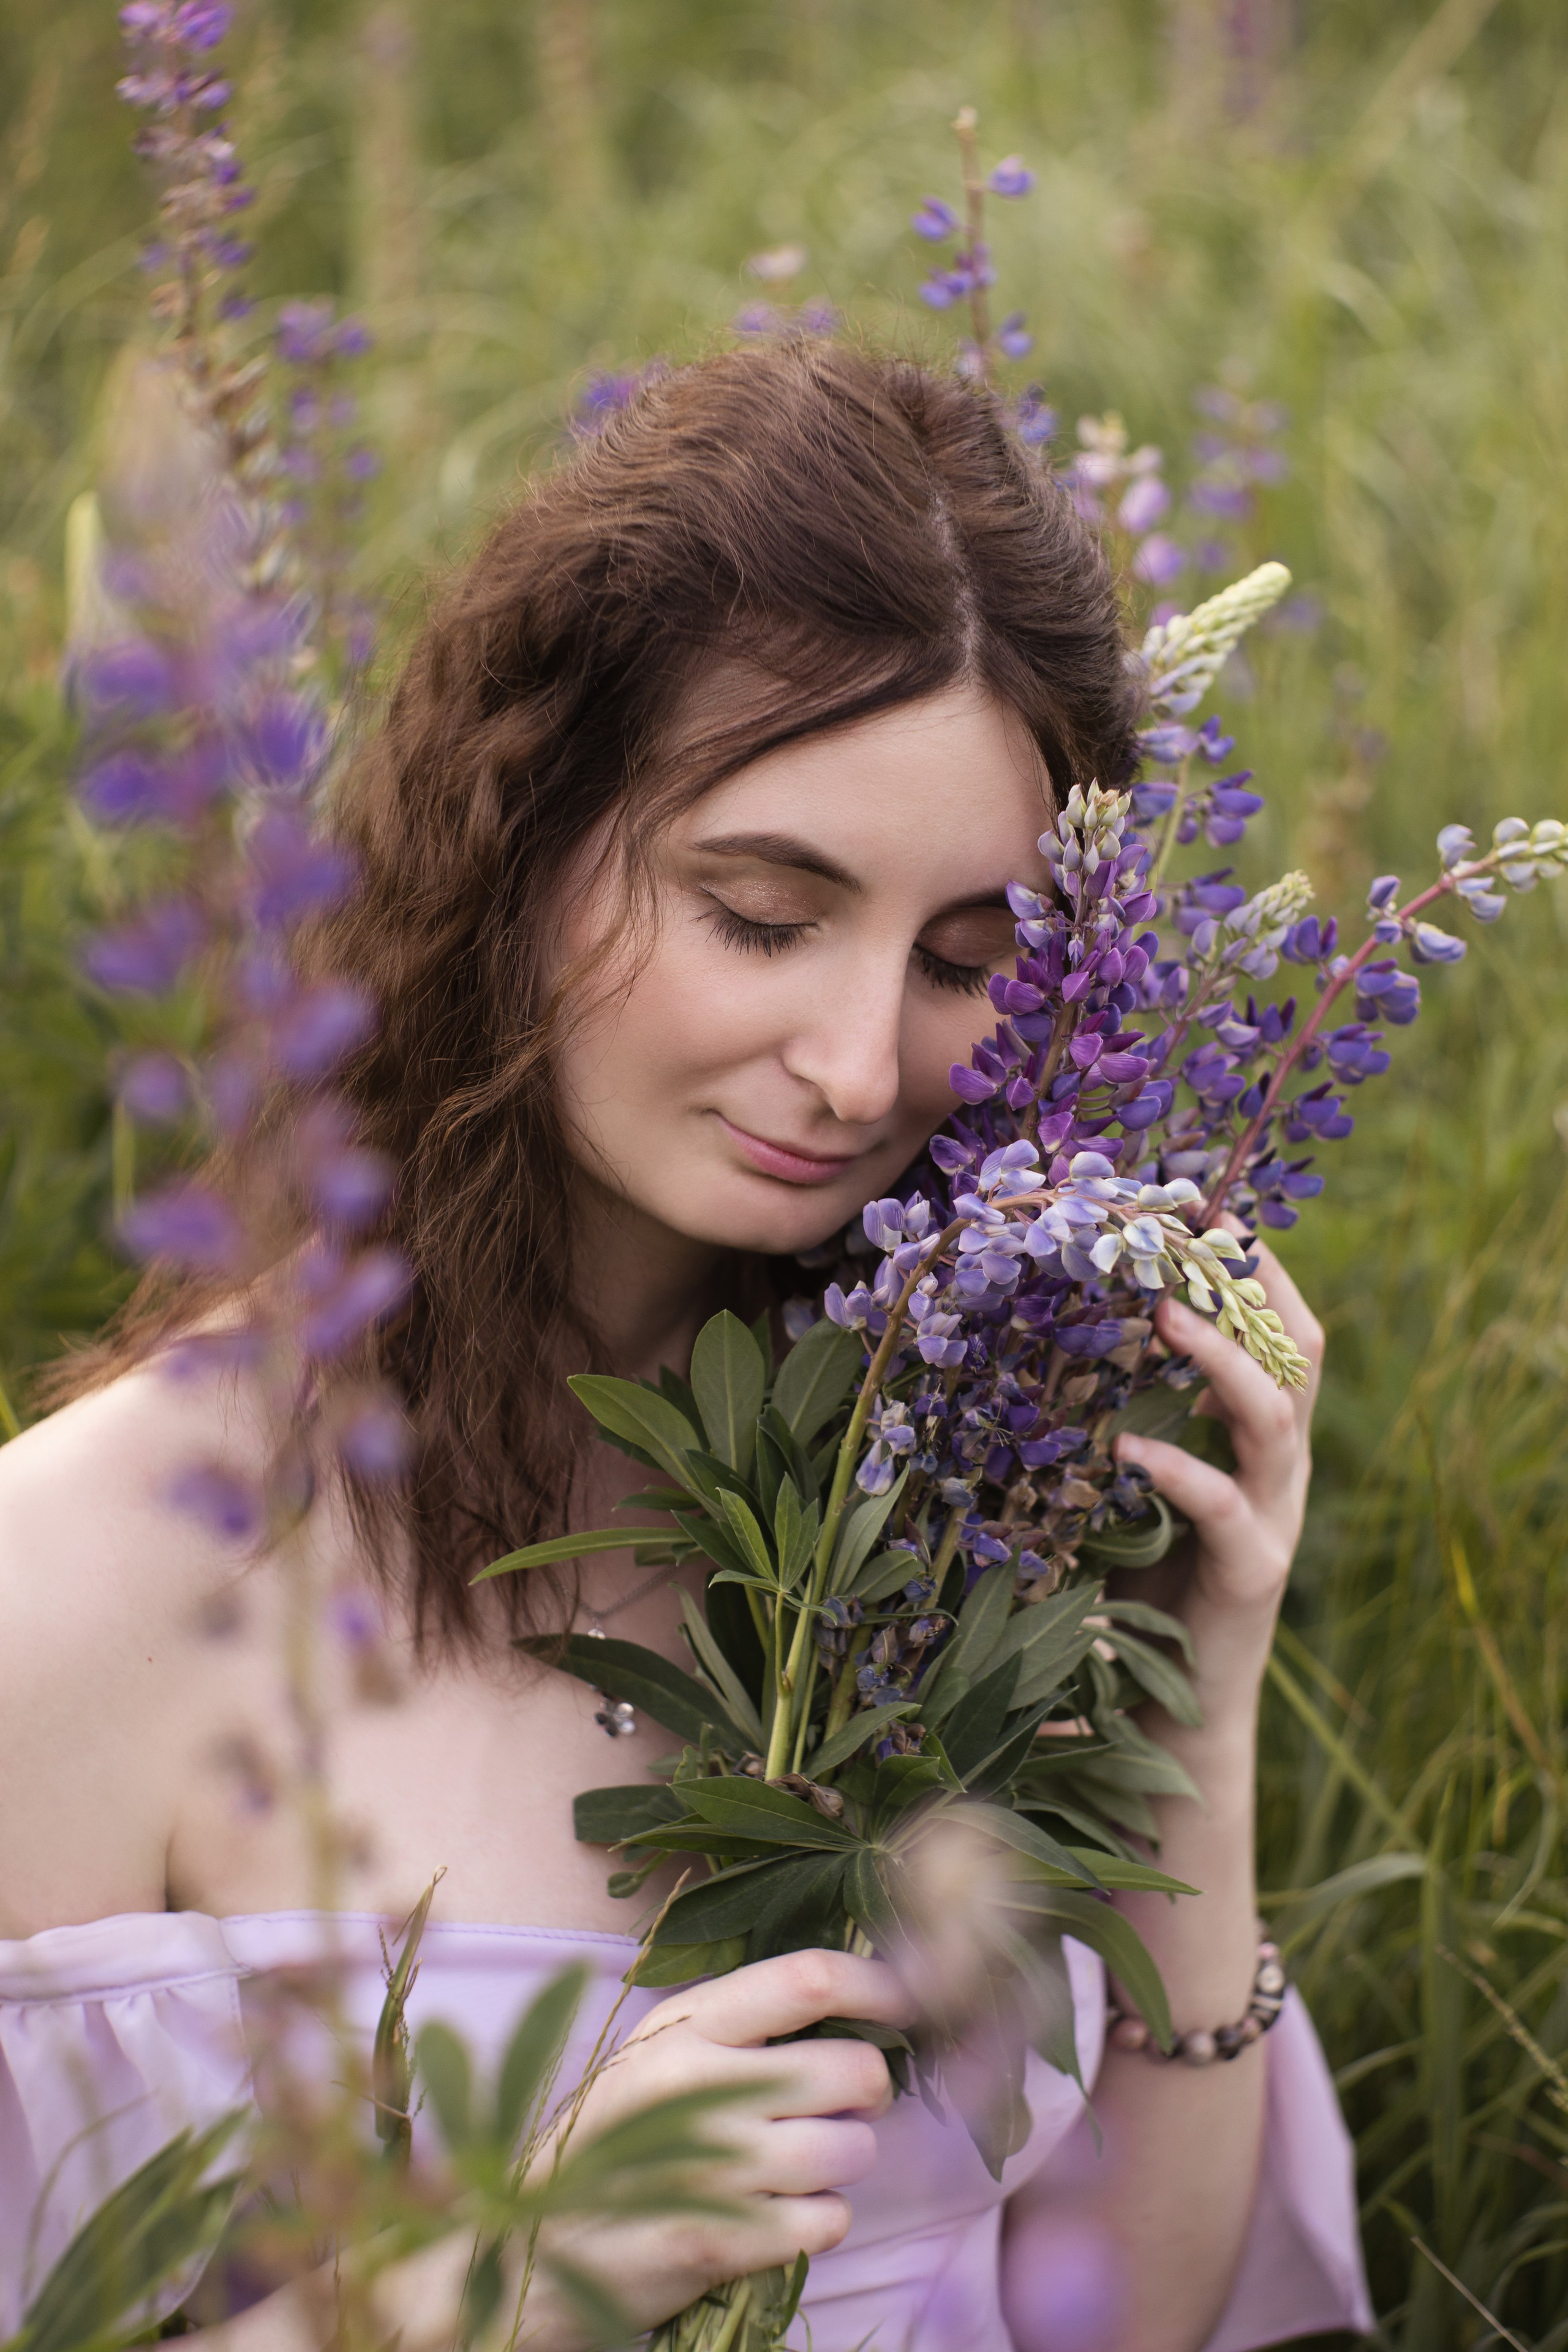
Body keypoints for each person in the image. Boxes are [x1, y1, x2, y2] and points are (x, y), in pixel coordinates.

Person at [0, 342, 1371, 2352]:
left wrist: (1196, 1735)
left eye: (967, 963)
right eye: (759, 911)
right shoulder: (94, 1572)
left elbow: (1121, 2316)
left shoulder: (954, 1515)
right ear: (514, 839)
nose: (853, 1065)